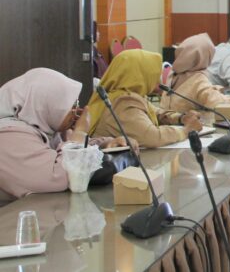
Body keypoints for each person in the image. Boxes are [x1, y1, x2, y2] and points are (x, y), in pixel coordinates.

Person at [0, 68, 136, 203]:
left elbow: (69, 146)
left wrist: (106, 144)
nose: (77, 111)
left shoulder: (43, 125)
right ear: (45, 104)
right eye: (71, 106)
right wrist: (80, 132)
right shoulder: (8, 137)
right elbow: (64, 176)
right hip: (16, 214)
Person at [87, 49, 204, 148]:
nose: (158, 78)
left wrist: (181, 118)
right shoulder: (123, 102)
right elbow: (153, 137)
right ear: (140, 74)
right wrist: (186, 130)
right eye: (154, 73)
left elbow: (155, 113)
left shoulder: (122, 95)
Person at [161, 33, 230, 118]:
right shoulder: (198, 79)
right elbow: (216, 103)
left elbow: (192, 91)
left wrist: (217, 89)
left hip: (165, 121)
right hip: (187, 124)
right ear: (205, 56)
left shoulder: (173, 74)